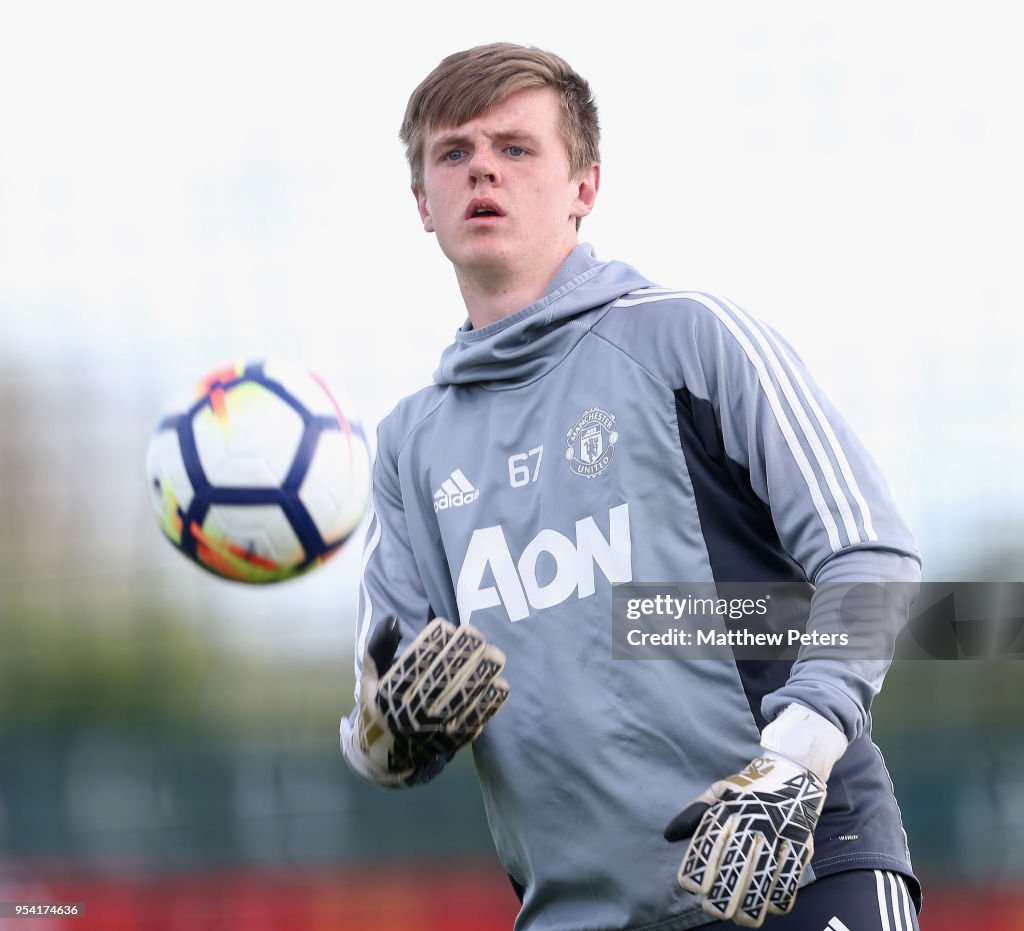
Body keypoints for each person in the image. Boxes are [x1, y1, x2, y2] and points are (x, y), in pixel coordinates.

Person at [340, 42, 923, 931]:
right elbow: (389, 718)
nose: (483, 168)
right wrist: (384, 736)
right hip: (578, 914)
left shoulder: (691, 338)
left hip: (803, 872)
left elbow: (874, 561)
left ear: (586, 186)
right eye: (453, 153)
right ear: (423, 201)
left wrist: (797, 758)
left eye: (516, 146)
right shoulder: (409, 445)